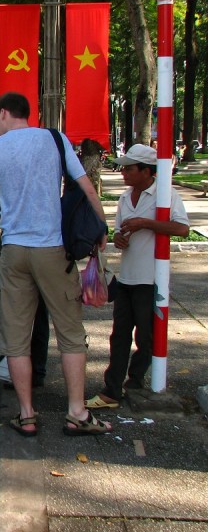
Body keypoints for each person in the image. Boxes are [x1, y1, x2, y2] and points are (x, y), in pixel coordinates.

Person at [0, 92, 112, 438]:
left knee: (16, 338)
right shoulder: (54, 138)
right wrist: (100, 227)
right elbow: (85, 184)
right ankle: (77, 413)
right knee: (70, 334)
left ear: (4, 113)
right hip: (53, 249)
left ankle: (26, 415)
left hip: (13, 251)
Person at [86, 144, 189, 409]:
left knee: (147, 337)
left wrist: (146, 223)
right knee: (119, 334)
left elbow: (182, 228)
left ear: (146, 171)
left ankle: (136, 379)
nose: (123, 173)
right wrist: (119, 238)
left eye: (129, 169)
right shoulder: (124, 198)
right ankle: (112, 388)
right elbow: (121, 231)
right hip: (127, 277)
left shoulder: (165, 195)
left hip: (150, 278)